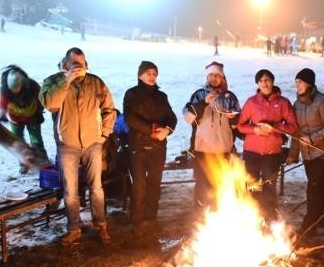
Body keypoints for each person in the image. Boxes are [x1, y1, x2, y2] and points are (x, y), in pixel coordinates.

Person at [39, 47, 116, 246]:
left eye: (82, 64)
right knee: (70, 191)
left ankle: (101, 225)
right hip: (67, 145)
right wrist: (67, 80)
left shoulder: (95, 82)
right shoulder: (53, 81)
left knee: (97, 188)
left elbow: (109, 109)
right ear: (65, 64)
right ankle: (73, 229)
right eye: (75, 64)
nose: (80, 68)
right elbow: (50, 103)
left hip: (93, 144)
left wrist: (104, 134)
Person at [123, 61, 178, 236]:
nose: (152, 77)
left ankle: (151, 217)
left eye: (154, 73)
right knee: (139, 184)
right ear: (140, 75)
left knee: (154, 183)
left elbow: (172, 117)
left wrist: (167, 130)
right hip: (138, 146)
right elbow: (130, 119)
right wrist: (152, 131)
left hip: (158, 147)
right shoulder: (131, 94)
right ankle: (137, 220)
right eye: (148, 73)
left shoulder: (161, 96)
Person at [237, 69, 297, 221]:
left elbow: (292, 126)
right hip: (252, 152)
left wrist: (275, 128)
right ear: (257, 83)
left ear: (272, 81)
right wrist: (255, 129)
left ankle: (269, 218)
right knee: (251, 185)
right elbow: (240, 125)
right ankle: (252, 216)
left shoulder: (283, 102)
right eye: (261, 80)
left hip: (272, 153)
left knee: (269, 186)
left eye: (267, 80)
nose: (265, 83)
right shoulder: (252, 102)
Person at [183, 61, 241, 210]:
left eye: (218, 75)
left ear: (222, 78)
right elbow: (189, 117)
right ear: (207, 77)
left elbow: (237, 122)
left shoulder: (229, 96)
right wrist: (204, 102)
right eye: (211, 75)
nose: (215, 78)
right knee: (202, 184)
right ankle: (200, 216)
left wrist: (232, 117)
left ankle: (217, 214)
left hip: (223, 148)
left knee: (220, 184)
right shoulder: (198, 94)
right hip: (202, 148)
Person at [285, 68, 324, 235]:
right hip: (307, 154)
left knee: (313, 188)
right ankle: (321, 222)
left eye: (300, 82)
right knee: (317, 186)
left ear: (309, 83)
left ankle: (309, 228)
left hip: (323, 152)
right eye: (296, 83)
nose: (297, 86)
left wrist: (313, 138)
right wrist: (293, 154)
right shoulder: (297, 104)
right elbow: (296, 132)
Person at [0, 65, 47, 174]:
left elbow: (41, 99)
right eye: (13, 90)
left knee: (36, 140)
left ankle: (42, 162)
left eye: (17, 88)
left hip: (33, 116)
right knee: (18, 142)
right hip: (15, 118)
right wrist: (2, 114)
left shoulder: (33, 86)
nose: (15, 91)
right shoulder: (5, 89)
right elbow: (3, 104)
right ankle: (24, 164)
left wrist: (40, 111)